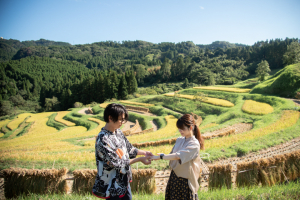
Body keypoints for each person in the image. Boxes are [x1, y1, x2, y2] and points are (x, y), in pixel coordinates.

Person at [92, 103, 153, 200]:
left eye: (123, 119)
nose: (122, 122)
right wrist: (140, 159)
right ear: (110, 118)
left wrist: (145, 153)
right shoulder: (103, 139)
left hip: (123, 182)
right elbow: (117, 164)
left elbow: (129, 149)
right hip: (111, 185)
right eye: (120, 119)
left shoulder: (118, 132)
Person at [151, 114, 204, 200]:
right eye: (179, 128)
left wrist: (161, 157)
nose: (180, 131)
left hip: (186, 180)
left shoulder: (194, 144)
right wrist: (160, 156)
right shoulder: (179, 139)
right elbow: (171, 155)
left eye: (182, 128)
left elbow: (177, 156)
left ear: (190, 128)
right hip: (175, 177)